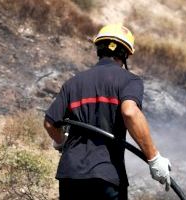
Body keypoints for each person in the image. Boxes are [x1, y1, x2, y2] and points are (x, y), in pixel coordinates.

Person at [44, 24, 171, 200]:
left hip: (70, 176)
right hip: (106, 175)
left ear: (99, 49)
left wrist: (61, 142)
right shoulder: (129, 80)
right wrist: (154, 159)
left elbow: (50, 123)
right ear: (126, 54)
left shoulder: (73, 82)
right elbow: (130, 113)